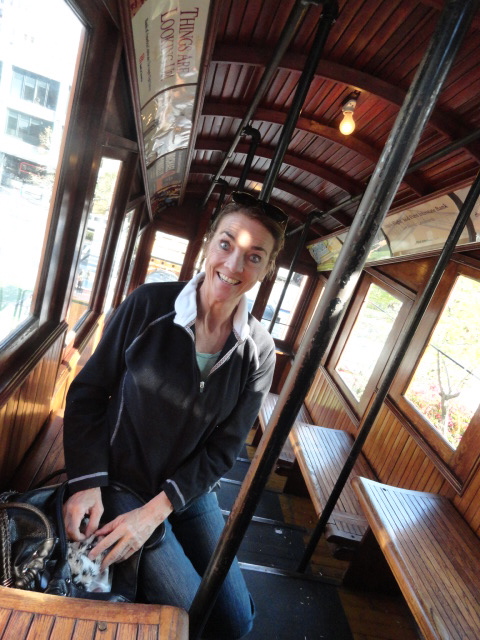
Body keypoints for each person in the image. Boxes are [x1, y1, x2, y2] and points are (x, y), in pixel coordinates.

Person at [62, 192, 287, 638]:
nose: (234, 265)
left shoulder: (259, 350)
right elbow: (88, 392)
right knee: (191, 619)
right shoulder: (149, 304)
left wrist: (156, 513)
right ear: (208, 244)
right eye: (226, 244)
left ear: (267, 269)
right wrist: (86, 481)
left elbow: (225, 449)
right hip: (122, 483)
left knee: (237, 622)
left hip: (188, 493)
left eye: (254, 256)